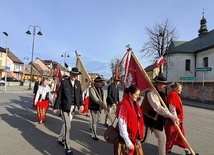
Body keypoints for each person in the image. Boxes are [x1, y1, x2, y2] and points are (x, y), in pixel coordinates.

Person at [141, 75, 179, 155]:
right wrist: (171, 116)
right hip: (148, 119)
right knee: (143, 140)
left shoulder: (160, 93)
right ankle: (130, 149)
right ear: (157, 83)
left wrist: (173, 116)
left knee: (162, 139)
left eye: (165, 84)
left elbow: (166, 107)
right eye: (162, 84)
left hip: (157, 121)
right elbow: (158, 108)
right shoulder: (151, 93)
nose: (164, 86)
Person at [53, 67, 84, 155]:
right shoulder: (64, 83)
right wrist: (55, 107)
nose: (74, 76)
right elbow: (59, 96)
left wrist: (81, 105)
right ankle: (67, 146)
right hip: (65, 107)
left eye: (76, 75)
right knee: (68, 125)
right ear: (70, 74)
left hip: (73, 108)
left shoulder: (78, 83)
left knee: (67, 125)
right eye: (73, 74)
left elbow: (80, 95)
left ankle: (60, 138)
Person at [165, 82, 197, 155]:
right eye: (180, 89)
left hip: (177, 120)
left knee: (179, 136)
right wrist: (175, 119)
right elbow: (172, 108)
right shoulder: (172, 95)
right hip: (174, 121)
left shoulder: (175, 94)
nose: (181, 90)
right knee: (171, 137)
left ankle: (186, 150)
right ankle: (165, 150)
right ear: (176, 88)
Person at [114, 85, 144, 155]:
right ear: (130, 94)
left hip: (134, 136)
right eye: (136, 94)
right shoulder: (124, 105)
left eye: (139, 95)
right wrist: (127, 141)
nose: (138, 96)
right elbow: (122, 123)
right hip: (126, 138)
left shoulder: (135, 104)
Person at [88, 76, 107, 141]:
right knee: (95, 121)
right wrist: (102, 104)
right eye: (100, 82)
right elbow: (95, 98)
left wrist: (105, 106)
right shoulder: (92, 89)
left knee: (98, 120)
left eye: (101, 82)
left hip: (99, 107)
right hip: (93, 107)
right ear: (96, 82)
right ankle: (94, 134)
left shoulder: (101, 89)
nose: (101, 83)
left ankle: (90, 124)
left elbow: (103, 98)